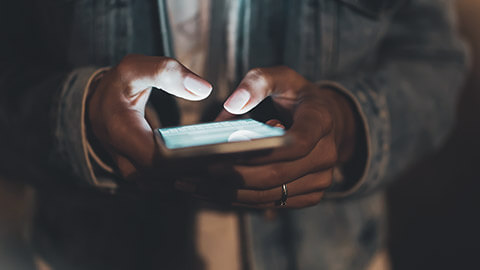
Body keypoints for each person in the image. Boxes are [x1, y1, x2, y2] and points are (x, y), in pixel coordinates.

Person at [0, 0, 467, 269]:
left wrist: (344, 122)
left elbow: (433, 59)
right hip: (94, 251)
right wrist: (83, 117)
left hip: (333, 252)